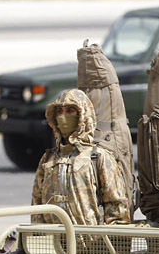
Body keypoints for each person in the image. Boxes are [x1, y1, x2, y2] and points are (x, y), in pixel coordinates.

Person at [32, 89, 130, 226]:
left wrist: (113, 241)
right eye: (59, 111)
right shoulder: (48, 158)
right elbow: (37, 203)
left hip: (93, 242)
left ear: (83, 116)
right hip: (55, 241)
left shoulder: (98, 157)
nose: (63, 116)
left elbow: (116, 205)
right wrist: (38, 236)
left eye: (70, 111)